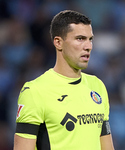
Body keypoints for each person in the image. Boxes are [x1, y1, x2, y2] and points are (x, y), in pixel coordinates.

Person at [13, 10, 115, 150]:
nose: (88, 46)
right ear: (58, 42)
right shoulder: (35, 91)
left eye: (90, 39)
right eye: (80, 39)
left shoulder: (97, 86)